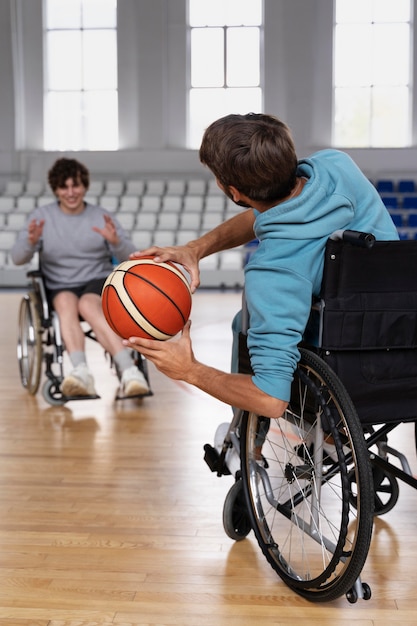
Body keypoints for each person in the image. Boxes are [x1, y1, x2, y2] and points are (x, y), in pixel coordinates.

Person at [122, 113, 398, 421]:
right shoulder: (338, 166)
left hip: (347, 361)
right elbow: (273, 212)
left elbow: (270, 399)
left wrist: (191, 370)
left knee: (247, 321)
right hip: (401, 338)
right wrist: (196, 249)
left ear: (235, 193)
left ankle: (247, 435)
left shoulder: (274, 270)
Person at [11, 157, 149, 398]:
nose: (71, 192)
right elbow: (17, 258)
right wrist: (31, 242)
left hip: (96, 280)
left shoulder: (101, 216)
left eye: (76, 185)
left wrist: (116, 242)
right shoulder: (42, 217)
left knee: (87, 303)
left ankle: (129, 372)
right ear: (56, 189)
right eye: (64, 187)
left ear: (84, 186)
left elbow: (130, 255)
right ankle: (81, 372)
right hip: (59, 284)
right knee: (65, 302)